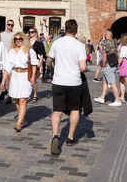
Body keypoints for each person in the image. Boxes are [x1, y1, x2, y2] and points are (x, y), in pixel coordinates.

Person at [47, 19, 87, 155]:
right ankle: (70, 138)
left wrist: (52, 70)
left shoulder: (56, 43)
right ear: (76, 30)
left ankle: (55, 136)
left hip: (58, 81)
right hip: (74, 82)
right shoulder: (80, 46)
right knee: (75, 109)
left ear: (65, 29)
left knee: (57, 111)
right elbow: (82, 68)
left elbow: (48, 61)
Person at [2, 31, 38, 132]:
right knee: (17, 100)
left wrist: (33, 77)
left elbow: (34, 65)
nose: (18, 41)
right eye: (16, 39)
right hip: (15, 76)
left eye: (20, 39)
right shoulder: (12, 51)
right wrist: (3, 81)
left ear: (23, 39)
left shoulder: (29, 51)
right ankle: (21, 117)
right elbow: (7, 67)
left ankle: (18, 123)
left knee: (23, 99)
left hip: (25, 75)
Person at [94, 29, 122, 107]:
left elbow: (104, 54)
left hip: (108, 64)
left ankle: (117, 100)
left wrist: (103, 64)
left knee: (112, 83)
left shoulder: (106, 42)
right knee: (105, 81)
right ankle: (102, 97)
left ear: (106, 34)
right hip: (113, 63)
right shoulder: (114, 41)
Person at [0, 20, 16, 103]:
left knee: (10, 78)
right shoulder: (1, 34)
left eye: (12, 25)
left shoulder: (14, 35)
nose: (10, 26)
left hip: (12, 57)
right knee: (2, 77)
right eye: (9, 24)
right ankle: (4, 90)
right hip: (3, 58)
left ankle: (10, 95)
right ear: (6, 25)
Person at [29, 28, 45, 102]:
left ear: (35, 32)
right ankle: (27, 92)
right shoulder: (27, 42)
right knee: (28, 78)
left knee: (34, 78)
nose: (30, 33)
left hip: (36, 63)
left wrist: (40, 63)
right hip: (28, 63)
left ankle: (35, 94)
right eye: (29, 32)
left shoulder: (39, 43)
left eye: (32, 32)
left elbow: (41, 54)